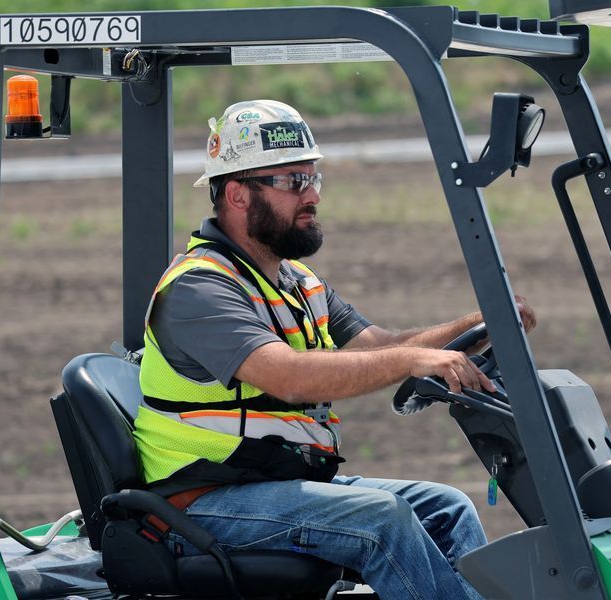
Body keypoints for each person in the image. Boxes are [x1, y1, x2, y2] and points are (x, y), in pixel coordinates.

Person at [133, 99, 536, 600]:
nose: (312, 196)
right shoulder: (199, 289)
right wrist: (413, 360)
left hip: (271, 486)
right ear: (237, 194)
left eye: (313, 179)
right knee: (380, 522)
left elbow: (383, 346)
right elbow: (289, 376)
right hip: (203, 501)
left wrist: (481, 322)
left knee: (446, 506)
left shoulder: (295, 282)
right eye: (292, 182)